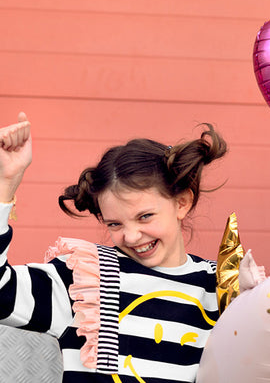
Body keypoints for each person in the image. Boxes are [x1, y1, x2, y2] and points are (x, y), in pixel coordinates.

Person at [0, 112, 227, 382]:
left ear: (182, 203)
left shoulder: (221, 286)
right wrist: (5, 183)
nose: (131, 237)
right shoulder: (84, 279)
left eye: (145, 216)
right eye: (115, 224)